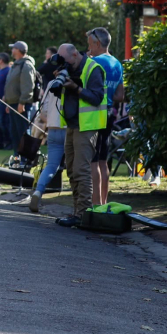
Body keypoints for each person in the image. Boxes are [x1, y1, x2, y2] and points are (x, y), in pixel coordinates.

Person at [54, 43, 106, 227]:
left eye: (66, 60)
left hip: (87, 126)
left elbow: (96, 97)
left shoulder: (93, 69)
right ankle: (77, 211)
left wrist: (75, 88)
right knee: (71, 170)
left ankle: (83, 214)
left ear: (75, 54)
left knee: (82, 171)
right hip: (72, 125)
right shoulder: (70, 69)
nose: (65, 64)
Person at [86, 27, 123, 206]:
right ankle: (104, 202)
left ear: (97, 43)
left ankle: (95, 205)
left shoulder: (94, 62)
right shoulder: (117, 63)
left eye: (89, 44)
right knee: (103, 159)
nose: (88, 48)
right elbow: (120, 96)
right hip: (109, 113)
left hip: (93, 113)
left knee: (93, 161)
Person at [28, 73, 66, 213]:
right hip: (70, 130)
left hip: (53, 129)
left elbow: (42, 111)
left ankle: (38, 192)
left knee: (51, 166)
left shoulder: (51, 83)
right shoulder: (77, 82)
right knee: (76, 168)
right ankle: (79, 202)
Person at [3, 41, 36, 155]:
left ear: (18, 50)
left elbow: (27, 86)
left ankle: (26, 157)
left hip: (21, 105)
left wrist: (22, 102)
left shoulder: (26, 65)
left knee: (23, 132)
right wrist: (7, 101)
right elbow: (11, 84)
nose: (12, 50)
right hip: (13, 104)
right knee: (15, 133)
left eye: (13, 48)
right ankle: (17, 157)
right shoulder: (16, 64)